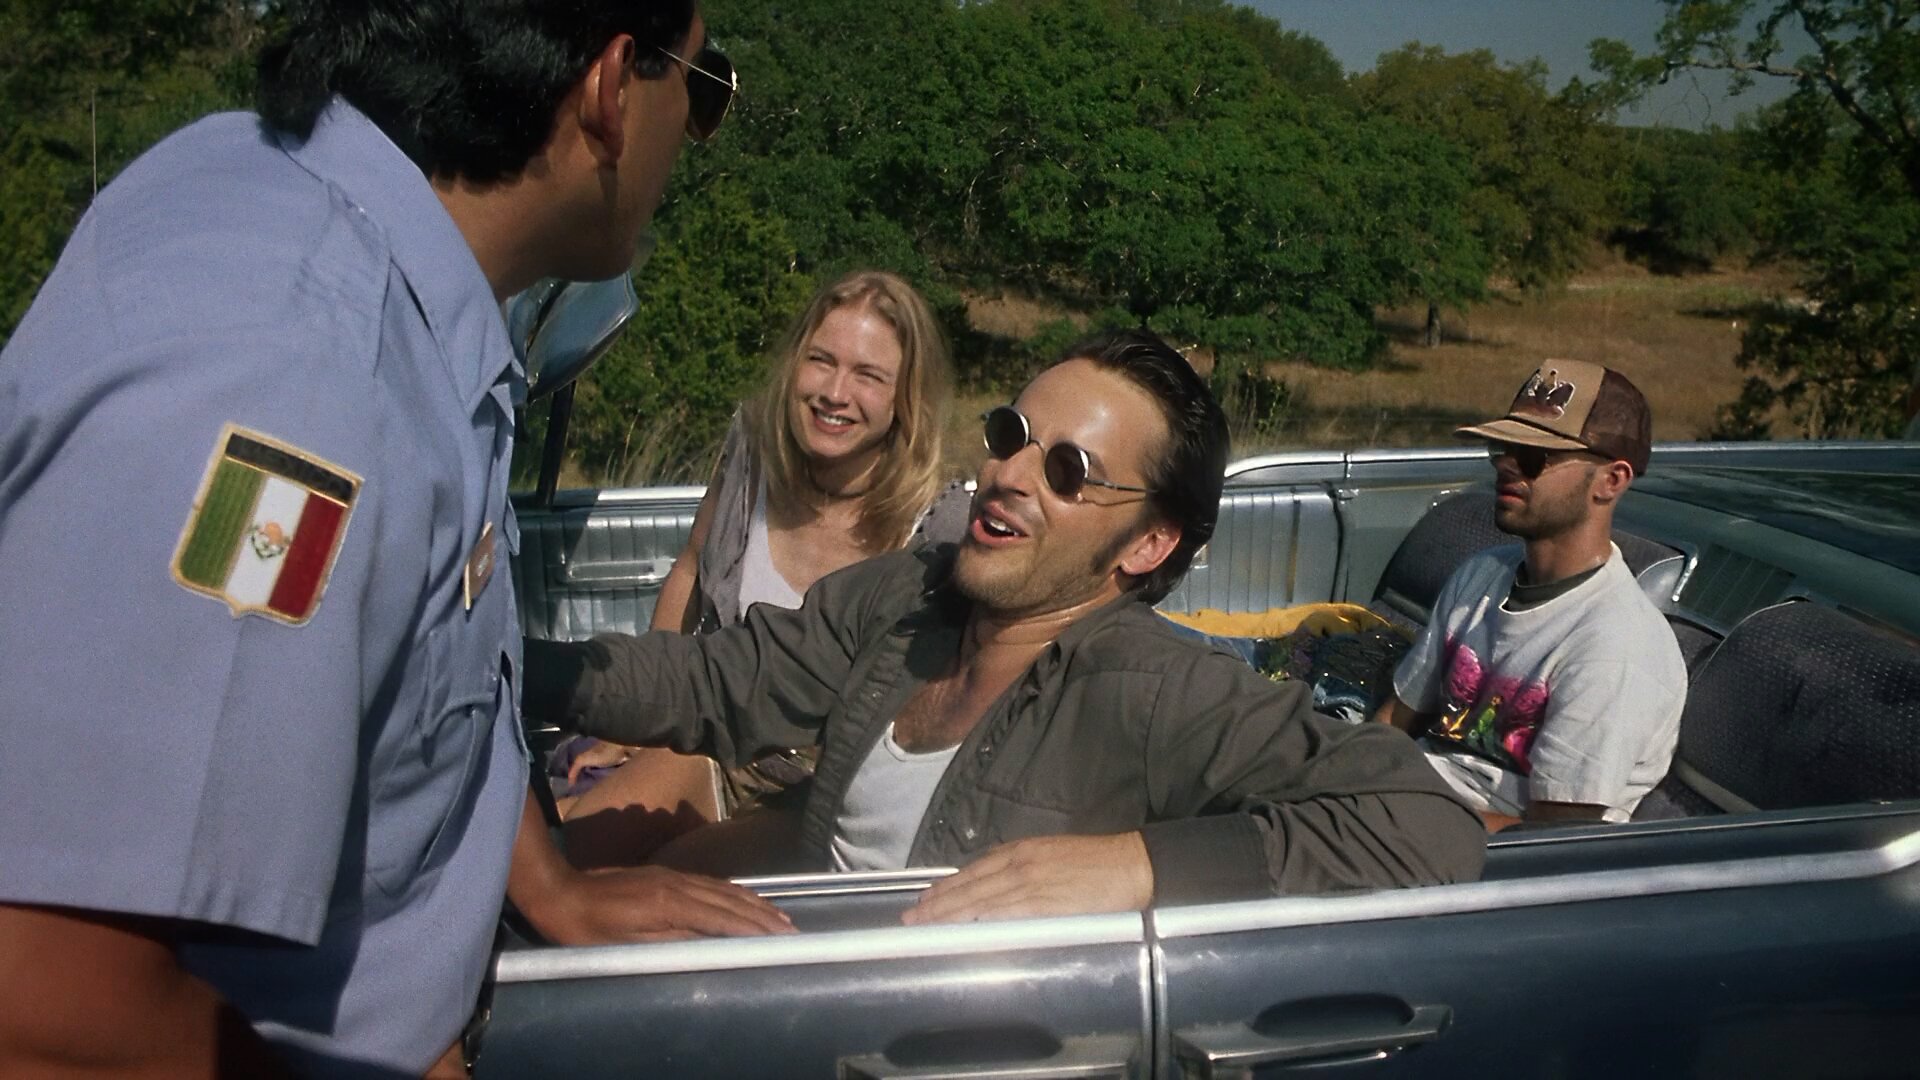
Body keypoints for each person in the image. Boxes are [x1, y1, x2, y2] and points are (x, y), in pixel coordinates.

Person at [0, 2, 788, 1076]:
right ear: (612, 88)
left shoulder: (356, 240)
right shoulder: (298, 382)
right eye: (701, 86)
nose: (694, 134)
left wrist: (546, 884)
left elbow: (431, 662)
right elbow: (49, 1007)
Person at [525, 330, 1486, 922]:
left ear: (1150, 544)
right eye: (1011, 438)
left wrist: (1137, 865)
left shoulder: (1155, 690)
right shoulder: (906, 597)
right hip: (825, 988)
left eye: (1068, 472)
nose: (1010, 476)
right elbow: (715, 679)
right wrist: (518, 668)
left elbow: (1426, 823)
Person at [557, 269, 964, 867]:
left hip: (822, 793)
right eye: (821, 361)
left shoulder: (938, 530)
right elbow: (691, 570)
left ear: (907, 398)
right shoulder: (753, 456)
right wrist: (636, 721)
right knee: (566, 852)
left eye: (868, 376)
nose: (835, 392)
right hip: (715, 742)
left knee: (661, 879)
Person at [1373, 360, 1687, 832]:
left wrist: (1388, 817)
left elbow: (1554, 836)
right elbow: (1396, 719)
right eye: (1504, 448)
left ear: (1611, 480)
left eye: (1536, 456)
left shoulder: (1617, 647)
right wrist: (1343, 777)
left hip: (1461, 848)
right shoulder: (1481, 575)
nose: (1507, 465)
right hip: (1391, 805)